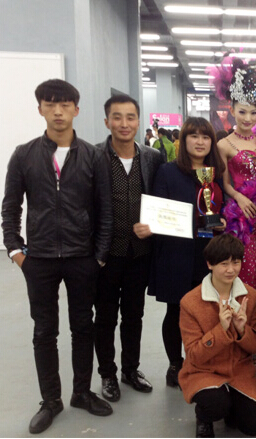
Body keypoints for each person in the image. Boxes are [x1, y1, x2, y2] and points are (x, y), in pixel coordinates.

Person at [1, 79, 113, 434]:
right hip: (40, 259)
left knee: (83, 327)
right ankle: (51, 400)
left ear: (76, 110)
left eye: (65, 105)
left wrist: (98, 256)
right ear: (40, 109)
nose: (58, 111)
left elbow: (105, 211)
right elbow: (10, 207)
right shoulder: (24, 154)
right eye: (50, 104)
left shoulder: (93, 156)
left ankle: (81, 392)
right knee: (44, 331)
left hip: (82, 257)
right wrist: (16, 251)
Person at [148, 117, 226, 388]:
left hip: (208, 253)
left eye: (205, 137)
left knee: (208, 311)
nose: (200, 142)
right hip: (176, 252)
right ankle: (175, 364)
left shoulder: (216, 172)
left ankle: (202, 361)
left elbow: (224, 206)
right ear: (184, 140)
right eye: (194, 136)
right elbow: (159, 211)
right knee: (176, 310)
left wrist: (221, 221)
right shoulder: (167, 172)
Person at [93, 95, 162, 403]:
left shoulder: (152, 157)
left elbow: (160, 201)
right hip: (106, 255)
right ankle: (107, 373)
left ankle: (130, 370)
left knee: (134, 315)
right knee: (105, 317)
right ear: (107, 121)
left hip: (140, 253)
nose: (124, 123)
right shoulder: (94, 156)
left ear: (138, 120)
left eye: (130, 117)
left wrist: (155, 226)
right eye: (117, 117)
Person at [179, 233, 256, 438]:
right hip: (204, 370)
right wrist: (221, 330)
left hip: (239, 371)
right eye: (224, 264)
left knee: (255, 425)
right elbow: (194, 356)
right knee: (216, 404)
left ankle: (231, 408)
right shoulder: (190, 302)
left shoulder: (250, 296)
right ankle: (204, 416)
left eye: (236, 262)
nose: (231, 270)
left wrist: (243, 330)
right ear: (209, 264)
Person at [209, 57, 256, 293]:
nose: (248, 118)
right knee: (243, 272)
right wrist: (239, 198)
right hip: (240, 216)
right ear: (231, 110)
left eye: (253, 112)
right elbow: (225, 183)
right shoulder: (224, 145)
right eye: (242, 112)